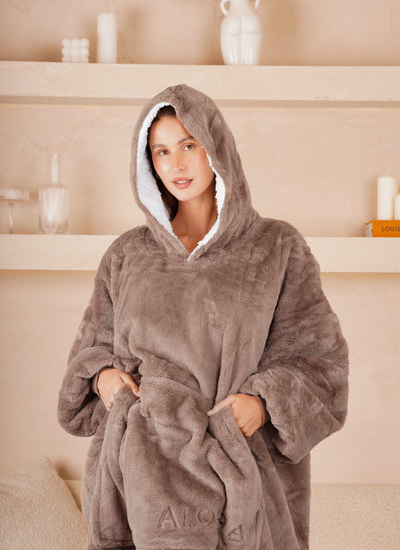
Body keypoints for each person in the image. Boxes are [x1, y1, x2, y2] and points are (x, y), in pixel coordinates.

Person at [58, 84, 349, 550]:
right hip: (136, 475)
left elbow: (321, 363)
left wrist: (261, 405)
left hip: (241, 471)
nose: (176, 164)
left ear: (216, 147)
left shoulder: (276, 247)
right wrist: (103, 378)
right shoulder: (127, 254)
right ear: (148, 164)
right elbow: (91, 349)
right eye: (162, 152)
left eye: (188, 145)